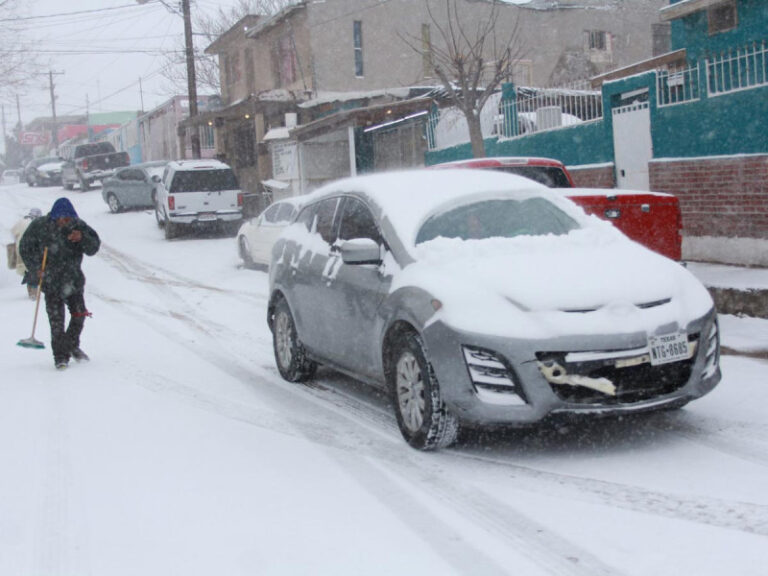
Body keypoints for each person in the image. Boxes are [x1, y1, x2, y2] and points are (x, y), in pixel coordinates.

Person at [19, 198, 101, 370]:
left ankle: (71, 345)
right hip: (51, 281)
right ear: (54, 216)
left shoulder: (78, 226)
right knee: (57, 321)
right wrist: (35, 268)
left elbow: (93, 247)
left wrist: (82, 238)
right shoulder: (41, 226)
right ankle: (60, 357)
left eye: (68, 219)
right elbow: (25, 247)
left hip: (73, 280)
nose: (64, 222)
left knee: (79, 314)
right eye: (61, 219)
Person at [10, 208, 42, 299]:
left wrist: (17, 240)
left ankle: (31, 290)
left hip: (21, 250)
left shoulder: (22, 222)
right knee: (33, 270)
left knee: (27, 270)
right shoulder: (36, 224)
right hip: (32, 251)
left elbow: (13, 232)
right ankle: (33, 293)